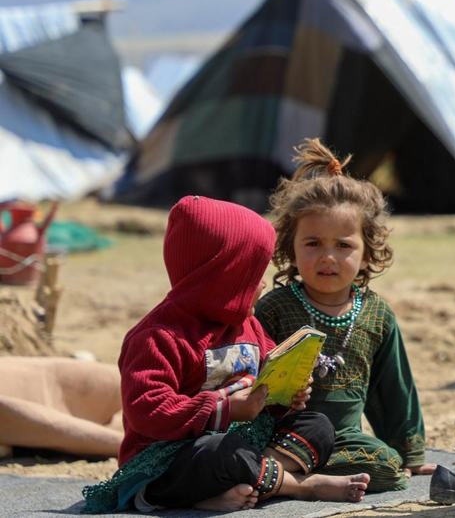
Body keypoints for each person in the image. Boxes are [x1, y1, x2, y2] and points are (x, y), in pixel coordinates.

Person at [82, 195, 369, 513]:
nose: (261, 284)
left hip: (242, 441)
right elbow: (147, 411)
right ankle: (300, 485)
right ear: (219, 276)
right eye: (250, 274)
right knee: (221, 452)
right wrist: (225, 410)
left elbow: (268, 373)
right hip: (172, 457)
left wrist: (286, 395)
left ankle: (242, 482)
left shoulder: (247, 325)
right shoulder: (157, 336)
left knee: (317, 425)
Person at [255, 139, 433, 493]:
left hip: (347, 440)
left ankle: (287, 479)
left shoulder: (376, 313)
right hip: (283, 435)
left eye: (344, 245)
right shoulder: (274, 307)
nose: (328, 257)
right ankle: (291, 475)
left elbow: (394, 389)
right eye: (313, 243)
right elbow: (249, 376)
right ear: (290, 246)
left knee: (388, 469)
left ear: (368, 252)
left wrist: (409, 453)